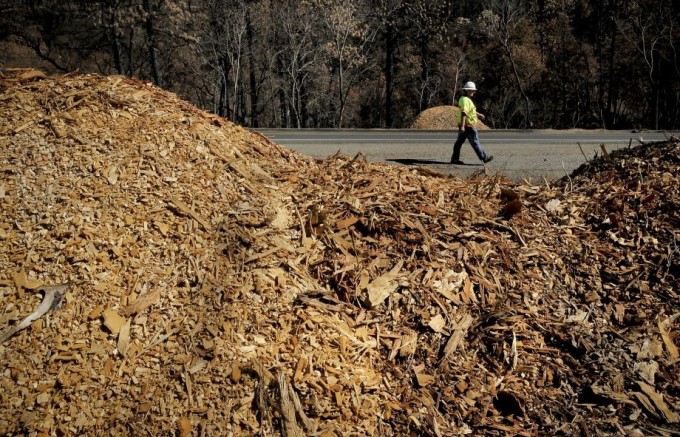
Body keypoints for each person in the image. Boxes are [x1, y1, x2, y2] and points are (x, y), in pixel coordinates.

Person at [450, 81, 493, 165]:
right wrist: (462, 126)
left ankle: (454, 159)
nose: (474, 91)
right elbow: (464, 113)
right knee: (475, 142)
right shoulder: (466, 100)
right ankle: (484, 158)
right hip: (468, 126)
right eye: (472, 90)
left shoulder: (464, 99)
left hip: (466, 125)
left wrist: (478, 114)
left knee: (459, 143)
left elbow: (470, 111)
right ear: (467, 90)